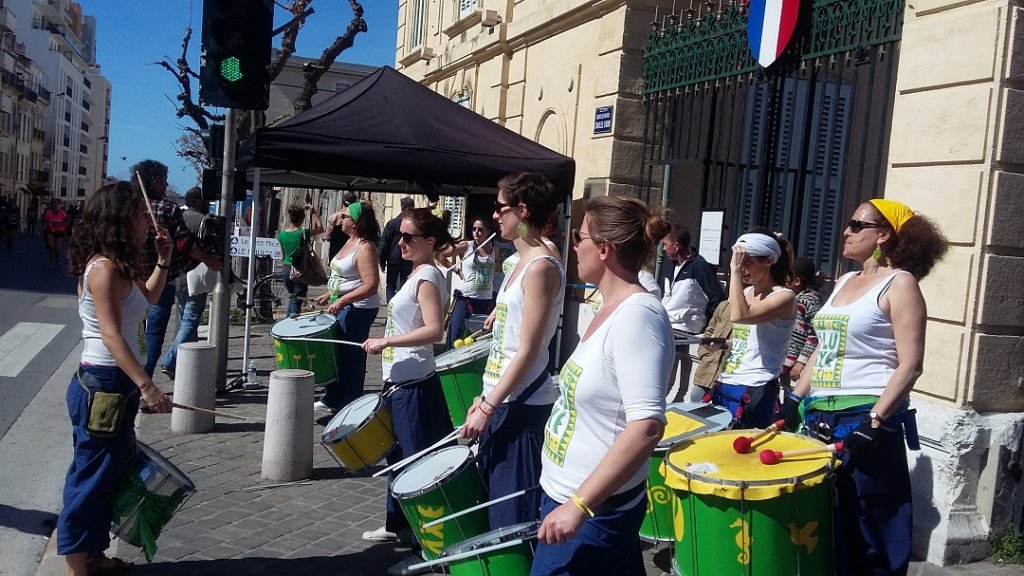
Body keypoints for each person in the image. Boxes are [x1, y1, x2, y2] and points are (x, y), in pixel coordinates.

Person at [786, 199, 947, 576]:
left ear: (884, 235)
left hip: (864, 418)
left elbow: (910, 365)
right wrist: (792, 400)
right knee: (827, 525)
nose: (846, 231)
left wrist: (873, 421)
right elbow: (824, 348)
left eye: (857, 225)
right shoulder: (844, 281)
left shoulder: (900, 284)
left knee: (870, 528)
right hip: (819, 415)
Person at [532, 196, 673, 575]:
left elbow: (646, 427)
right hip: (570, 499)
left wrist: (579, 504)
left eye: (580, 237)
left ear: (605, 249)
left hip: (592, 512)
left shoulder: (637, 316)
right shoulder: (606, 306)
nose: (574, 245)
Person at [57, 181, 174, 576]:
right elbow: (110, 334)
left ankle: (94, 556)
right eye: (141, 215)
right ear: (120, 219)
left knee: (108, 474)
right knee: (90, 478)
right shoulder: (103, 268)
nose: (147, 221)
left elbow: (150, 298)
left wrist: (163, 260)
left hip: (114, 385)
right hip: (103, 383)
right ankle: (78, 565)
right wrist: (146, 384)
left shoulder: (118, 264)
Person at [459, 172, 565, 529]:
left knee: (511, 521)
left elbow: (528, 349)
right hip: (502, 400)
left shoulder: (540, 267)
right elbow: (505, 344)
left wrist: (489, 405)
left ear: (522, 210)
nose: (494, 216)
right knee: (494, 513)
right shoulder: (518, 263)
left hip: (522, 408)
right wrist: (486, 395)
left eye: (500, 208)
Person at [360, 208, 455, 576]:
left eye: (408, 237)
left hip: (415, 383)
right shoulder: (416, 272)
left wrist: (387, 340)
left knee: (415, 462)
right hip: (400, 380)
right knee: (397, 457)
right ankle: (396, 522)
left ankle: (426, 546)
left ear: (429, 242)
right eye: (400, 235)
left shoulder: (428, 276)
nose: (400, 242)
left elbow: (435, 331)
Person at [133, 160, 223, 377]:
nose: (166, 185)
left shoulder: (130, 208)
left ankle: (138, 378)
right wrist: (207, 259)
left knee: (143, 329)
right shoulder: (167, 209)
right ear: (154, 182)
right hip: (161, 277)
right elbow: (184, 244)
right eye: (163, 180)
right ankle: (146, 376)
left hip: (133, 278)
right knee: (155, 329)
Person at [712, 229, 795, 429]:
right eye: (740, 261)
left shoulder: (784, 296)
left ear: (768, 261)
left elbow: (741, 315)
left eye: (747, 261)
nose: (742, 268)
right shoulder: (747, 292)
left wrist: (734, 269)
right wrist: (724, 344)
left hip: (756, 384)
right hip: (729, 378)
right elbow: (751, 338)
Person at [314, 200, 381, 411]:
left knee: (350, 355)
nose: (340, 219)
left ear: (356, 222)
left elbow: (370, 285)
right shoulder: (348, 241)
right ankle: (334, 397)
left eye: (345, 217)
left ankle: (350, 401)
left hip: (357, 309)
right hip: (342, 305)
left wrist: (342, 300)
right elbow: (346, 277)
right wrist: (330, 294)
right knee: (336, 353)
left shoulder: (365, 247)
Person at [661, 226, 725, 401]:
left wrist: (710, 328)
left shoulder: (700, 266)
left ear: (676, 245)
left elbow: (717, 298)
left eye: (666, 245)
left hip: (687, 328)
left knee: (670, 367)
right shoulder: (671, 266)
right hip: (669, 324)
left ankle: (673, 399)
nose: (663, 249)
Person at [158, 188, 216, 378]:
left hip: (177, 276)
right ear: (198, 201)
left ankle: (190, 361)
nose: (208, 203)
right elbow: (207, 247)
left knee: (186, 318)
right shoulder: (204, 221)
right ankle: (170, 360)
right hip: (196, 276)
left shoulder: (179, 217)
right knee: (191, 319)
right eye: (205, 200)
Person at [443, 216, 496, 348]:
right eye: (474, 229)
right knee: (456, 334)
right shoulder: (466, 246)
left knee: (478, 337)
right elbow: (440, 255)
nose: (476, 232)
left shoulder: (493, 248)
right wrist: (457, 271)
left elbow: (496, 268)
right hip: (465, 298)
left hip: (485, 299)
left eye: (480, 229)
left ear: (488, 230)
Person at [781, 257, 823, 392]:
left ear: (797, 281)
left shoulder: (808, 301)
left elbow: (815, 334)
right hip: (786, 364)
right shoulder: (794, 299)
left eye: (786, 277)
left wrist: (800, 362)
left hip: (797, 368)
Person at [276, 202, 324, 317]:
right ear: (302, 218)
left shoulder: (281, 235)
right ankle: (291, 323)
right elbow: (320, 229)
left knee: (293, 297)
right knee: (297, 299)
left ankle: (287, 321)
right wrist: (314, 213)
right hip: (300, 270)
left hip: (287, 270)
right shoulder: (302, 233)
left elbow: (283, 256)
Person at [378, 196, 415, 302]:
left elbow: (384, 243)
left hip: (393, 259)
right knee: (405, 285)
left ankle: (391, 309)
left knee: (391, 286)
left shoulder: (392, 223)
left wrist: (382, 260)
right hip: (407, 259)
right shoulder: (413, 224)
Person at [325, 191, 359, 258]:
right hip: (352, 253)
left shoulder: (333, 217)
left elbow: (328, 237)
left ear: (343, 202)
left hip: (336, 252)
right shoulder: (358, 218)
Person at [43, 198, 68, 268]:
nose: (55, 205)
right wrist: (45, 226)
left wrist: (60, 224)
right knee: (51, 247)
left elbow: (67, 222)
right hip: (50, 230)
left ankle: (57, 258)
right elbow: (45, 220)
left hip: (60, 231)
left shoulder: (62, 213)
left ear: (59, 205)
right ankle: (51, 261)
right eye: (53, 204)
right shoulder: (48, 212)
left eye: (56, 204)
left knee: (58, 249)